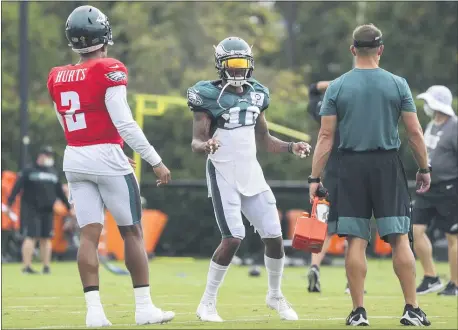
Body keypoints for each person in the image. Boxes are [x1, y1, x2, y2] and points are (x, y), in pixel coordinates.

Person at [47, 6, 174, 327]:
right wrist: (155, 161)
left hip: (74, 156)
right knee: (131, 230)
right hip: (106, 156)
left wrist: (98, 147)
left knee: (88, 235)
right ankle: (144, 308)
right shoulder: (109, 68)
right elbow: (125, 122)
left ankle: (95, 313)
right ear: (104, 36)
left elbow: (64, 121)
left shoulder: (56, 75)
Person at [308, 24, 431, 326]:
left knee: (355, 241)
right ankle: (411, 309)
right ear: (381, 49)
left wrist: (315, 178)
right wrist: (424, 168)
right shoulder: (398, 84)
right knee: (400, 239)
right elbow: (414, 132)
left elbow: (325, 136)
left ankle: (358, 312)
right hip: (387, 166)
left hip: (350, 168)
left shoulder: (336, 86)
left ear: (352, 50)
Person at [188, 36, 311, 322]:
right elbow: (196, 141)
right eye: (233, 64)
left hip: (251, 172)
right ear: (221, 65)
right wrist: (206, 146)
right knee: (233, 238)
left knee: (275, 237)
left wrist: (291, 147)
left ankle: (275, 295)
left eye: (243, 64)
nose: (238, 70)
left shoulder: (257, 93)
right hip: (223, 172)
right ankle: (207, 302)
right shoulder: (207, 95)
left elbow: (265, 140)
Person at [413, 85, 458, 296]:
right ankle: (431, 277)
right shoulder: (431, 124)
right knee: (415, 230)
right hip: (427, 187)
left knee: (453, 237)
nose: (427, 106)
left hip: (449, 189)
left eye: (429, 102)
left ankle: (455, 284)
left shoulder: (455, 126)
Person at [4, 146, 72, 274]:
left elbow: (59, 193)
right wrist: (9, 204)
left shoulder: (52, 173)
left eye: (50, 155)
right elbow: (16, 188)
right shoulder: (28, 171)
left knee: (46, 238)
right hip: (31, 209)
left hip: (47, 210)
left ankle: (46, 266)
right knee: (31, 236)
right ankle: (27, 267)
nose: (48, 158)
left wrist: (69, 207)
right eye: (47, 155)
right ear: (40, 156)